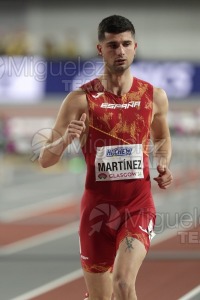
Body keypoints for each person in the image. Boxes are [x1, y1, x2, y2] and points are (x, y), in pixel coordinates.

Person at [39, 15, 173, 300]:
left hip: (137, 207)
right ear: (101, 49)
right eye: (113, 45)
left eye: (126, 44)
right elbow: (45, 160)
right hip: (97, 214)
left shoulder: (154, 96)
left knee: (123, 284)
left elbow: (162, 137)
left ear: (135, 47)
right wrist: (65, 140)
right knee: (100, 297)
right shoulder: (79, 100)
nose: (120, 51)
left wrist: (164, 163)